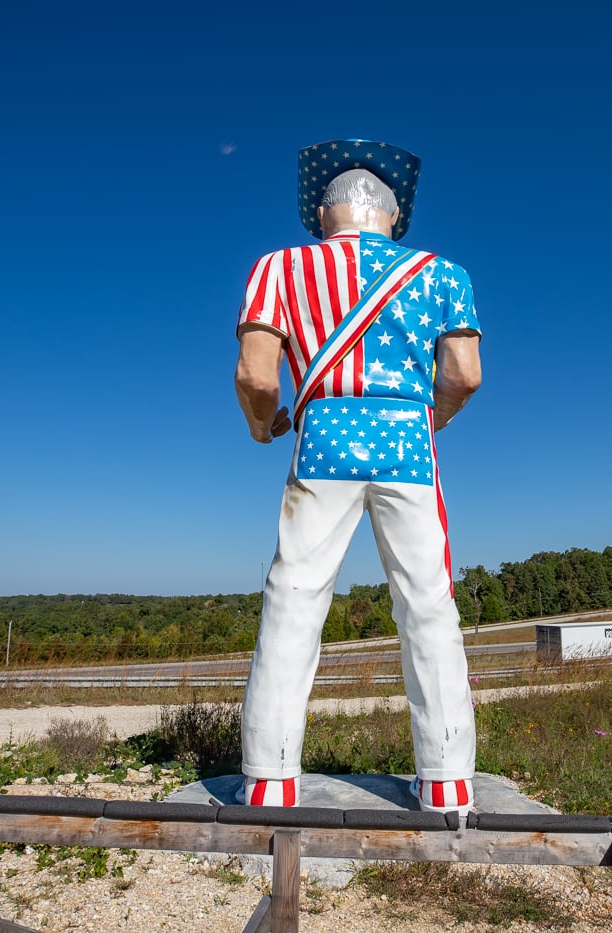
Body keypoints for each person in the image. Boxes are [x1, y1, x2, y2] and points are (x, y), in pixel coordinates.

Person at [233, 139, 482, 814]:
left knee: (295, 598)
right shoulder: (443, 274)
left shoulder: (279, 268)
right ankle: (447, 781)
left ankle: (268, 778)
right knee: (427, 602)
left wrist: (264, 425)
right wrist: (433, 420)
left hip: (323, 436)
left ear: (322, 211)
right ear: (393, 215)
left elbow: (256, 374)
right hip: (407, 439)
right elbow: (464, 374)